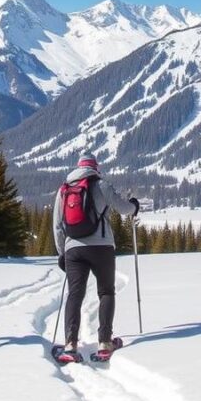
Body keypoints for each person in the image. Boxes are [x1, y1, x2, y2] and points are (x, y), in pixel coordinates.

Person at [53, 152, 139, 363]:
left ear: (78, 167)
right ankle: (104, 342)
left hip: (73, 249)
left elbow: (57, 226)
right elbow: (123, 208)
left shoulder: (64, 189)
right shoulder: (101, 185)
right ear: (95, 167)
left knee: (75, 294)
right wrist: (134, 206)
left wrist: (62, 253)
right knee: (106, 292)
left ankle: (70, 344)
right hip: (102, 247)